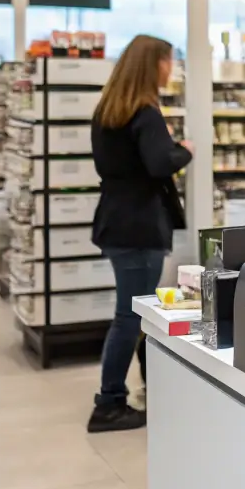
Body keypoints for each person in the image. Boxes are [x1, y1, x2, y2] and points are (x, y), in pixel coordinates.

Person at [87, 35, 192, 433]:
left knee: (134, 311)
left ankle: (148, 385)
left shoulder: (108, 110)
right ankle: (110, 402)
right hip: (140, 225)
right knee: (130, 315)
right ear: (154, 65)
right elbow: (159, 163)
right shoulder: (145, 112)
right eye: (169, 61)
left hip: (115, 218)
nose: (171, 69)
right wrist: (186, 149)